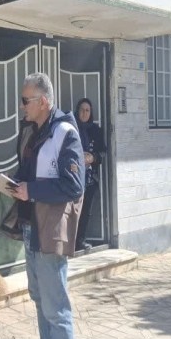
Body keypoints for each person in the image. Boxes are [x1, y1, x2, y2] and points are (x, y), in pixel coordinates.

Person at [9, 72, 84, 339]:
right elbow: (29, 173)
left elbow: (74, 186)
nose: (22, 106)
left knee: (56, 309)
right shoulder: (33, 131)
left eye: (25, 100)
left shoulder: (65, 132)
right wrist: (12, 183)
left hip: (50, 232)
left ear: (42, 101)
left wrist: (32, 190)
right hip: (31, 228)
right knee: (40, 300)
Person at [73, 98, 107, 253]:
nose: (84, 113)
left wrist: (93, 157)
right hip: (73, 177)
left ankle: (80, 241)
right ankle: (69, 241)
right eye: (82, 110)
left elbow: (103, 153)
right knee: (72, 211)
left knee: (86, 211)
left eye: (87, 110)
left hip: (89, 178)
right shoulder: (72, 129)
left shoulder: (95, 131)